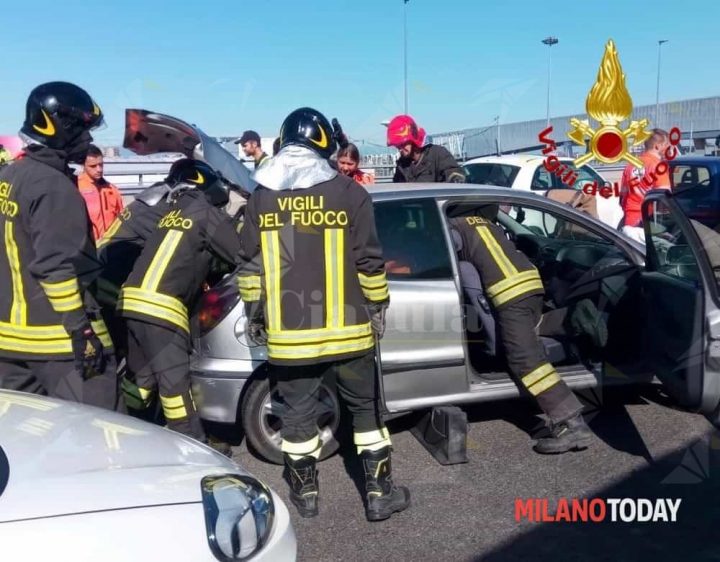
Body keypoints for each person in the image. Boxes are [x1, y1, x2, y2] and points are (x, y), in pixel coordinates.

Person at [237, 107, 410, 522]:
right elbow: (370, 262)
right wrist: (378, 308)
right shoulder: (350, 193)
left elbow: (249, 268)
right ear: (324, 145)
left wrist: (256, 315)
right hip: (351, 334)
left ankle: (306, 496)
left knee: (296, 419)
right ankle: (379, 495)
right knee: (366, 413)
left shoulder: (262, 196)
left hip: (290, 337)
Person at [0, 81, 116, 409]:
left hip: (8, 343)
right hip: (56, 341)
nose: (90, 140)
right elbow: (57, 267)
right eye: (83, 130)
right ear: (60, 127)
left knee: (22, 439)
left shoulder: (9, 177)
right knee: (100, 431)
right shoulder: (54, 187)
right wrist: (82, 331)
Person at [447, 202, 596, 454]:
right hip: (531, 283)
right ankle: (571, 318)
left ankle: (573, 425)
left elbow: (447, 255)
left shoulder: (454, 226)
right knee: (530, 329)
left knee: (525, 360)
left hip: (509, 294)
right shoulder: (484, 223)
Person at [116, 159, 240, 444]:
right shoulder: (207, 214)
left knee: (141, 380)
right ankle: (194, 449)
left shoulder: (169, 213)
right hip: (161, 310)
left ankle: (123, 432)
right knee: (175, 389)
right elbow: (241, 253)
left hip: (131, 303)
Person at [619, 128, 672, 242]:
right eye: (667, 145)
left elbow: (622, 196)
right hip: (650, 222)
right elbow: (664, 200)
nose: (669, 149)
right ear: (657, 146)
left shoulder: (630, 165)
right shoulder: (659, 166)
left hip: (630, 220)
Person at [387, 114, 466, 183]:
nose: (400, 149)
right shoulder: (402, 165)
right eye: (397, 145)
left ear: (413, 139)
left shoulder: (438, 155)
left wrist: (455, 179)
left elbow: (455, 175)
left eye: (402, 144)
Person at [78, 144, 124, 241]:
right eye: (93, 166)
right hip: (88, 246)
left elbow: (121, 219)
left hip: (110, 245)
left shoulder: (111, 189)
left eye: (101, 164)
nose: (99, 169)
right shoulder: (76, 188)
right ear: (83, 165)